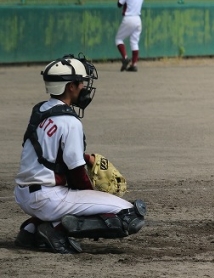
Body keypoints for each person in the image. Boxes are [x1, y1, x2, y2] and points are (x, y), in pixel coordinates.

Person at [14, 53, 147, 254]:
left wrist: (87, 158)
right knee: (130, 214)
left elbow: (48, 151)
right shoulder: (70, 122)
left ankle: (31, 230)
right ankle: (54, 229)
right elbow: (76, 174)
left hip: (24, 194)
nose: (85, 86)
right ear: (71, 86)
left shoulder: (40, 110)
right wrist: (93, 195)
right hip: (48, 198)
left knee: (76, 201)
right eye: (82, 82)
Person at [115, 0, 144, 72]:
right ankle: (134, 64)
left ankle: (125, 58)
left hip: (129, 18)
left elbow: (119, 4)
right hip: (138, 20)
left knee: (118, 39)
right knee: (134, 42)